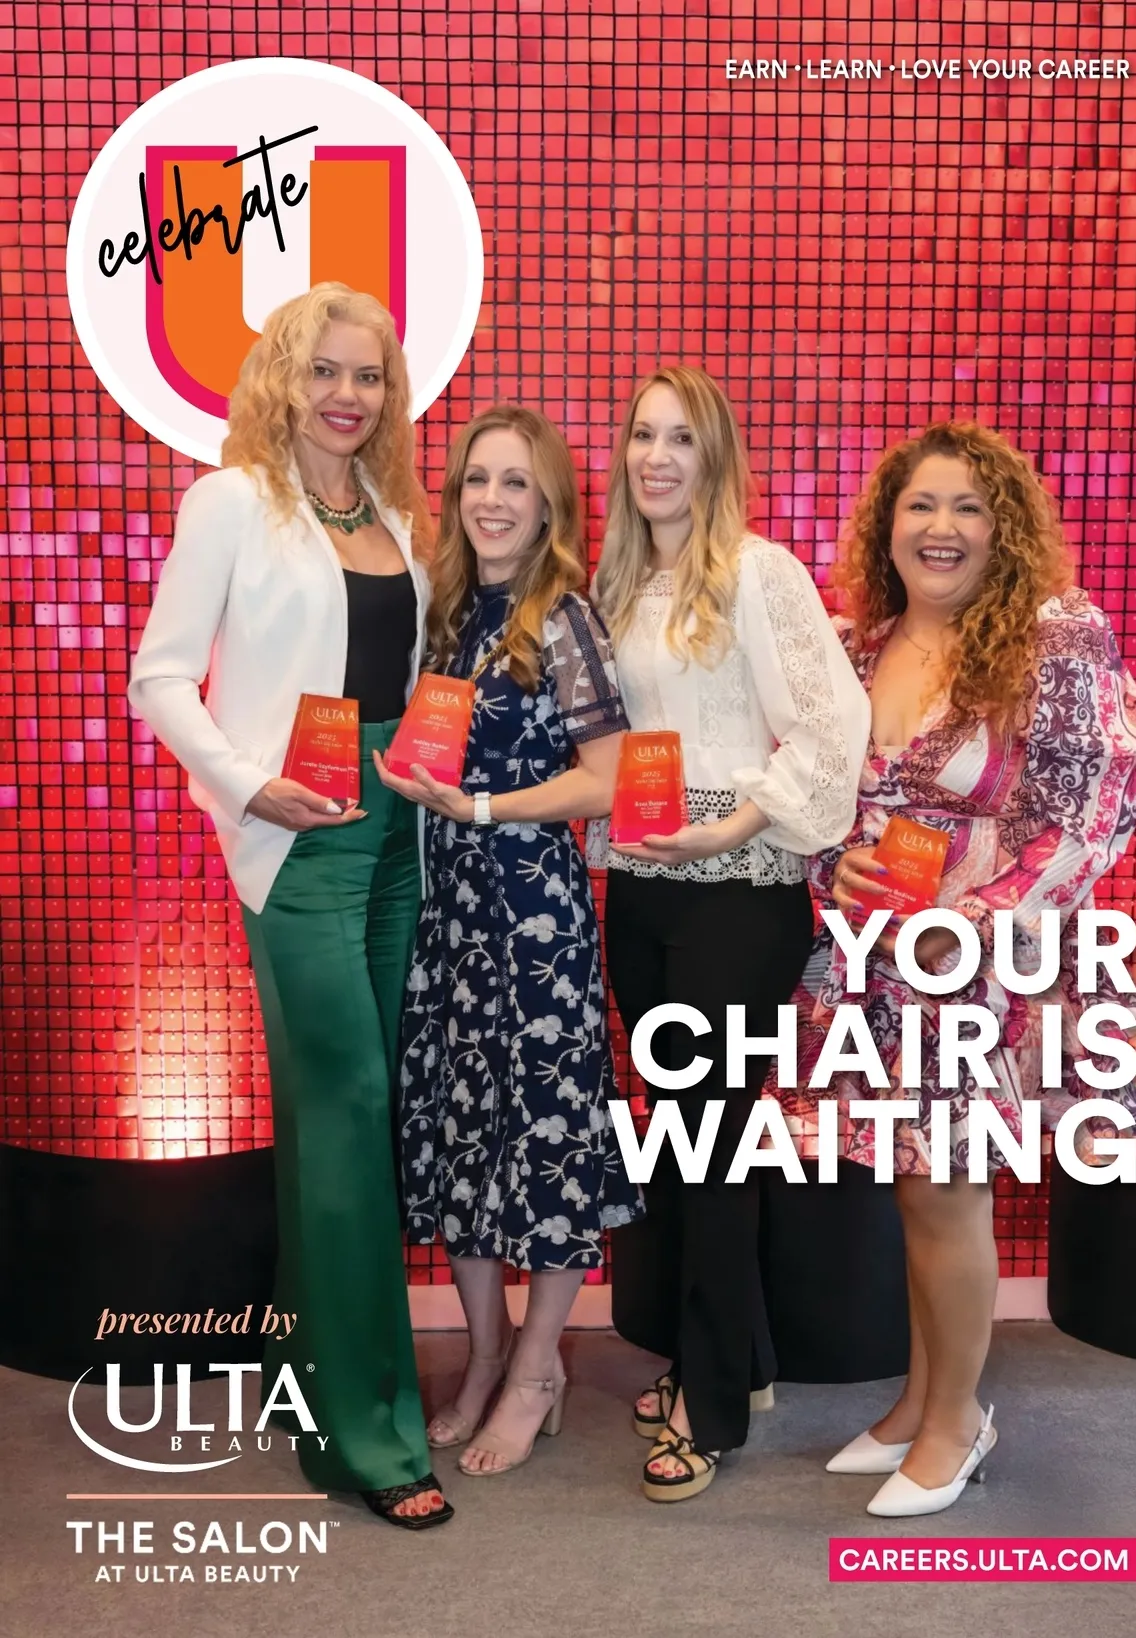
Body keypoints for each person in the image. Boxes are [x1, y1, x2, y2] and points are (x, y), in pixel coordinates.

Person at [766, 420, 1136, 1517]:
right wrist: (834, 867)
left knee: (948, 1189)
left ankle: (956, 1426)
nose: (941, 528)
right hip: (878, 962)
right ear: (886, 526)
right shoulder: (858, 645)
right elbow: (819, 795)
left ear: (1005, 528)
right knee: (915, 1186)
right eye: (920, 505)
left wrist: (976, 923)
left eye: (968, 507)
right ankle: (919, 1401)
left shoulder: (1054, 634)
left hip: (984, 967)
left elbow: (1099, 803)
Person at [127, 282, 453, 1529]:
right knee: (346, 1107)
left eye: (368, 376)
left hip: (396, 830)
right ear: (282, 378)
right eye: (325, 371)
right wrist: (245, 783)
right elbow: (159, 676)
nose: (346, 395)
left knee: (350, 1120)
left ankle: (306, 1370)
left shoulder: (394, 513)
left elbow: (402, 679)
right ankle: (368, 1436)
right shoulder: (231, 502)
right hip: (296, 837)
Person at [589, 365, 871, 1502]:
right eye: (642, 435)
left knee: (709, 1144)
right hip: (639, 886)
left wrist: (737, 825)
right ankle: (736, 1363)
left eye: (682, 439)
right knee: (680, 1136)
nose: (657, 457)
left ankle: (708, 1412)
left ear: (715, 458)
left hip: (737, 890)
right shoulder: (614, 583)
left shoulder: (760, 571)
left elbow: (832, 725)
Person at [375, 404, 642, 1478]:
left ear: (549, 506)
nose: (492, 500)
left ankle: (537, 1370)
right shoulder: (445, 613)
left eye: (515, 483)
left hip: (532, 915)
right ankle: (486, 1356)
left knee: (546, 1137)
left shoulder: (563, 618)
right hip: (451, 918)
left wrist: (482, 809)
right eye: (476, 479)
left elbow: (608, 779)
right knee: (465, 1135)